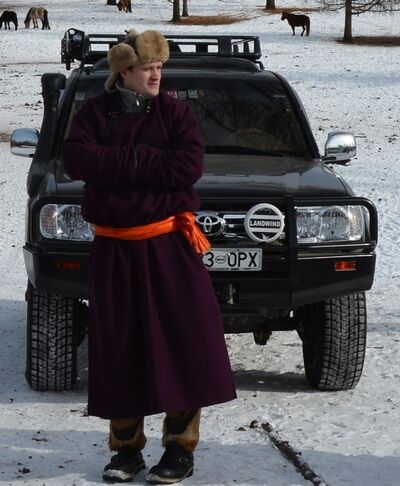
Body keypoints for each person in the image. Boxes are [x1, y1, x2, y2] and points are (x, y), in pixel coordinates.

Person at [62, 29, 236, 484]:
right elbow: (78, 160)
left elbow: (188, 166)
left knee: (183, 341)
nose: (156, 75)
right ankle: (125, 450)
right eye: (147, 69)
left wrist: (124, 163)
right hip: (115, 249)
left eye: (159, 67)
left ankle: (179, 448)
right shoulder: (94, 114)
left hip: (169, 246)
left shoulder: (176, 113)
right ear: (124, 72)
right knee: (120, 346)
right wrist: (146, 163)